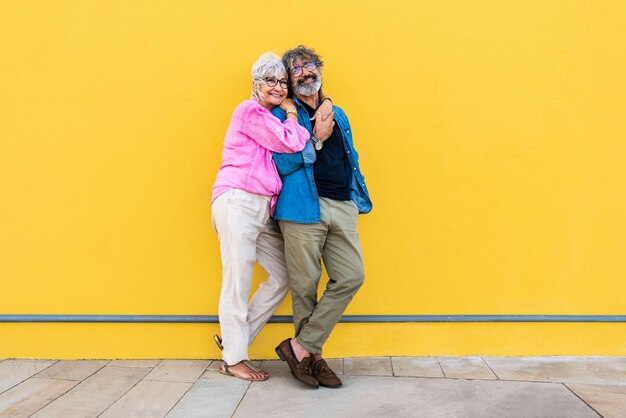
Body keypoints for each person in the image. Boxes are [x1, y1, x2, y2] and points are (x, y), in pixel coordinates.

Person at [211, 52, 331, 381]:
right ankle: (234, 359)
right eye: (270, 81)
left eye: (281, 82)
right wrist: (293, 111)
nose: (278, 87)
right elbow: (293, 142)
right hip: (238, 200)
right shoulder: (249, 110)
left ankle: (233, 343)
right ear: (256, 83)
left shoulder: (267, 116)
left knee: (283, 275)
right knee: (237, 280)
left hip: (261, 208)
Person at [272, 46, 372, 388]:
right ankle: (312, 360)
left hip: (342, 204)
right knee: (304, 288)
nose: (304, 72)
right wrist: (314, 140)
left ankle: (300, 346)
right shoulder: (281, 115)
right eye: (295, 69)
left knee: (351, 276)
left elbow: (350, 156)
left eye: (308, 64)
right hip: (302, 207)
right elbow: (279, 164)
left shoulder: (338, 112)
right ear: (288, 80)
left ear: (319, 70)